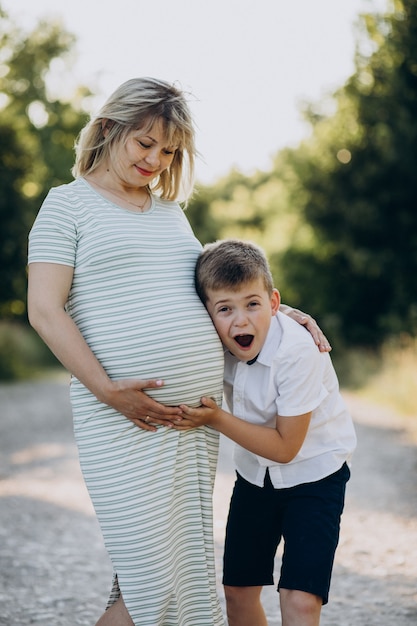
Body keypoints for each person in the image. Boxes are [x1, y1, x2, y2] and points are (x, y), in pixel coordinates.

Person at [27, 77, 330, 626]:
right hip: (124, 420)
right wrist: (109, 391)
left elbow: (214, 292)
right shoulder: (65, 206)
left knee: (173, 581)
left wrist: (279, 313)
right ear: (108, 129)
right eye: (145, 143)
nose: (156, 160)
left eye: (169, 151)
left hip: (187, 429)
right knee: (147, 575)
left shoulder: (169, 213)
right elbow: (45, 310)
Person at [179, 239, 357, 626]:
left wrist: (215, 419)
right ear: (206, 315)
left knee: (300, 598)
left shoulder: (297, 351)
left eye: (253, 304)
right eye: (225, 309)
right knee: (238, 593)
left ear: (274, 303)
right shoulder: (210, 342)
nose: (241, 321)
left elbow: (285, 448)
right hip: (254, 477)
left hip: (315, 476)